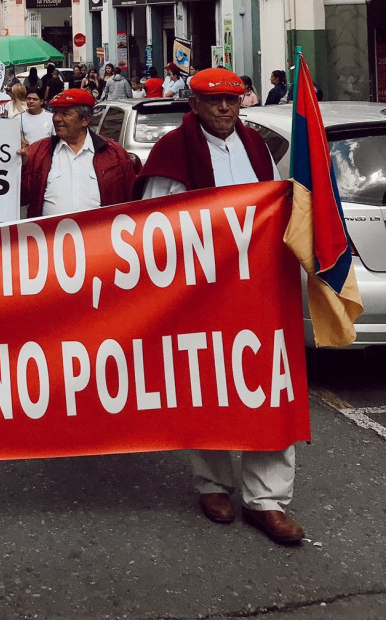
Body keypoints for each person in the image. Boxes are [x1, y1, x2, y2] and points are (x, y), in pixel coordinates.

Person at [133, 68, 300, 545]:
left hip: (256, 290)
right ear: (195, 105)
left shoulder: (258, 149)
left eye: (231, 101)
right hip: (198, 293)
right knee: (204, 384)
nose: (224, 109)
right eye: (212, 101)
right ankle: (212, 484)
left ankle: (267, 498)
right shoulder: (171, 150)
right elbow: (153, 226)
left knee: (267, 384)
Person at [19, 89, 136, 219]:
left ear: (85, 120)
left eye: (65, 114)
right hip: (49, 237)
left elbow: (132, 201)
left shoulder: (115, 154)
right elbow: (22, 198)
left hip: (99, 237)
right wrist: (21, 167)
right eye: (55, 112)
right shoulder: (37, 152)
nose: (57, 119)